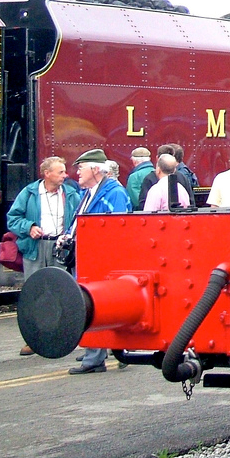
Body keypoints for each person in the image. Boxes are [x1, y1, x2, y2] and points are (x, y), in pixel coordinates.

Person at [6, 156, 81, 355]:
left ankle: (62, 337)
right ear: (47, 174)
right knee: (34, 293)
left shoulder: (71, 194)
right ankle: (33, 340)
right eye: (60, 172)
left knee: (61, 293)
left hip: (59, 247)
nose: (65, 175)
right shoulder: (29, 193)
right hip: (35, 248)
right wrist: (29, 227)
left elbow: (79, 220)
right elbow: (12, 218)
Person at [67, 149, 133, 374]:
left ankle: (96, 357)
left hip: (100, 260)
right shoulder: (89, 192)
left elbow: (118, 228)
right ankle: (102, 350)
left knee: (94, 304)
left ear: (95, 169)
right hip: (89, 257)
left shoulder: (114, 193)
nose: (77, 172)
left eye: (81, 168)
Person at [138, 144, 196, 210]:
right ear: (174, 169)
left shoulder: (155, 189)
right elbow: (190, 205)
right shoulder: (182, 186)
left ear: (158, 170)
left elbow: (148, 211)